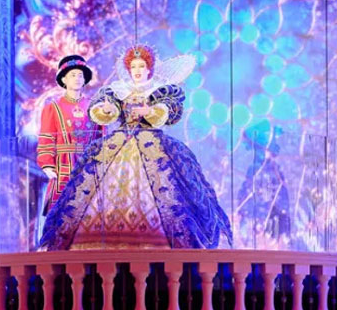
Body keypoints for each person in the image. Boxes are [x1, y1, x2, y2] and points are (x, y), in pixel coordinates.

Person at [40, 45, 232, 251]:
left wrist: (150, 111)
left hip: (152, 143)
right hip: (119, 142)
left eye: (141, 66)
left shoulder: (159, 90)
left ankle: (159, 241)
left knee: (167, 188)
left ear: (149, 68)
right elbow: (104, 112)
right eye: (133, 67)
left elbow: (169, 112)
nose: (137, 70)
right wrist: (108, 109)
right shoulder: (119, 90)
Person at [36, 55, 100, 214]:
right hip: (63, 166)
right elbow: (46, 138)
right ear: (64, 79)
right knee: (61, 214)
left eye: (80, 75)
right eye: (73, 75)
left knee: (88, 213)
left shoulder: (94, 107)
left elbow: (101, 138)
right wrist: (47, 165)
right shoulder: (53, 107)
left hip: (88, 165)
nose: (77, 78)